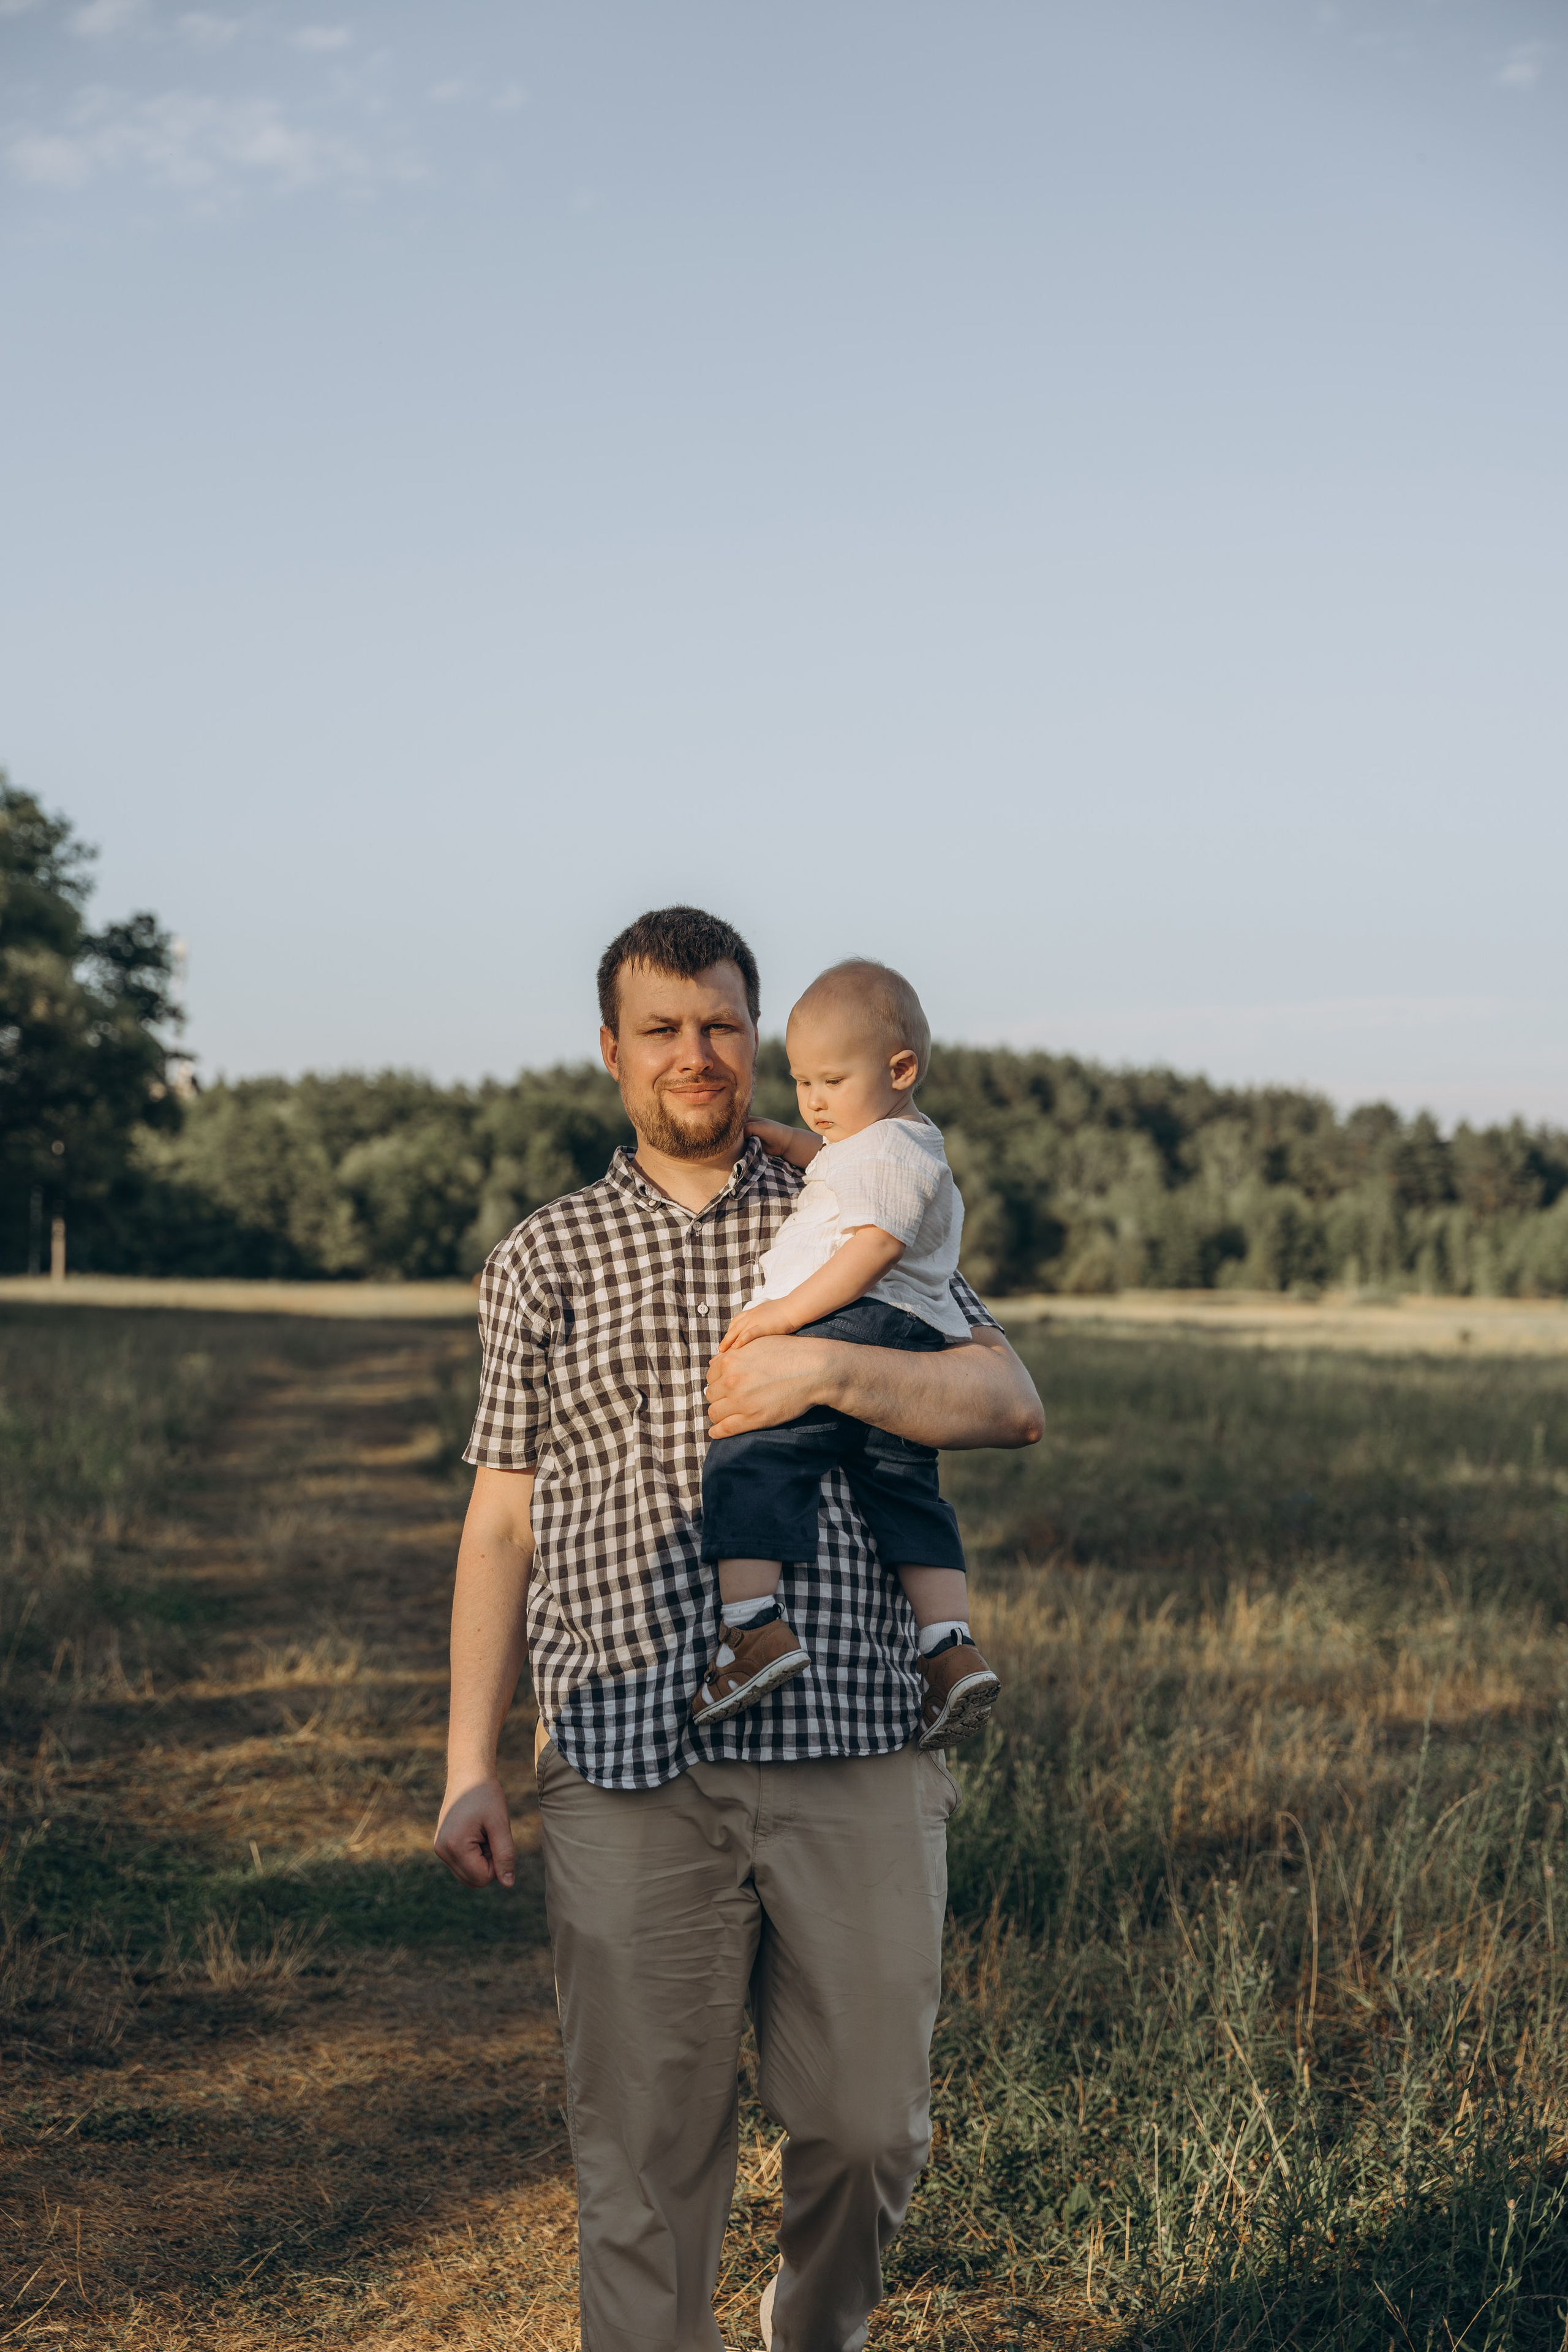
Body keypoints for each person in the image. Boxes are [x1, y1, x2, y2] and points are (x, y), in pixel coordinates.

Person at [434, 906, 1042, 2352]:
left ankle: (805, 2331)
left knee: (867, 2130)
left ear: (753, 1038)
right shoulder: (544, 1258)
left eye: (719, 1024)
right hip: (627, 1744)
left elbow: (1005, 1403)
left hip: (852, 1737)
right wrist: (468, 1760)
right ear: (610, 1052)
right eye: (661, 1028)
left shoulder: (849, 1207)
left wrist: (817, 1362)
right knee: (642, 2161)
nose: (694, 1054)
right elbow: (499, 1524)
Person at [692, 956, 1001, 1750]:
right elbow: (839, 1166)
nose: (815, 1101)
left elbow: (872, 1245)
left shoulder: (896, 1154)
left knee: (757, 1447)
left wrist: (783, 1317)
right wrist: (793, 1140)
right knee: (903, 1489)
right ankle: (946, 1647)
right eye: (800, 1083)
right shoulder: (886, 1143)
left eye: (831, 1081)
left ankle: (750, 1627)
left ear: (901, 1070)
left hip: (860, 1322)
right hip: (910, 1335)